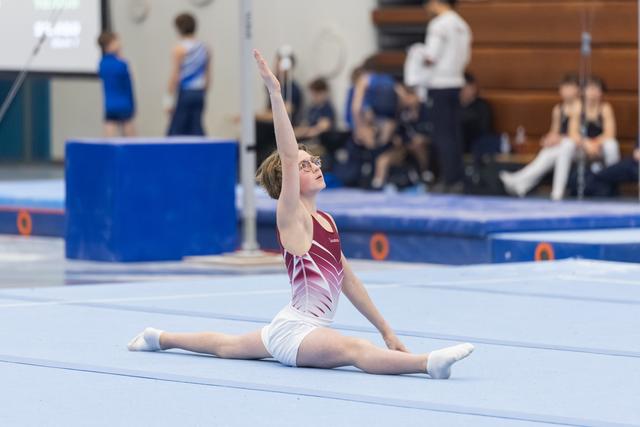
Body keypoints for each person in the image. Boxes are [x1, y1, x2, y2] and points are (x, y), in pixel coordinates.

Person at [127, 50, 474, 379]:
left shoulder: (326, 222)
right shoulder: (291, 216)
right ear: (289, 182)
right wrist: (276, 94)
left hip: (291, 323)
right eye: (307, 166)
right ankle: (427, 364)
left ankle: (158, 337)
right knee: (354, 349)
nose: (315, 167)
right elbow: (289, 157)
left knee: (227, 345)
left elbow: (348, 281)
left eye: (315, 162)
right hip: (298, 332)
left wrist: (386, 330)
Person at [500, 74, 582, 200]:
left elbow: (574, 135)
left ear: (577, 90)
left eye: (570, 87)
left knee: (567, 145)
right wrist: (548, 139)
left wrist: (558, 138)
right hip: (564, 146)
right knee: (549, 151)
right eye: (565, 87)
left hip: (579, 147)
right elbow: (554, 131)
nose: (567, 91)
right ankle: (523, 184)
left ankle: (525, 181)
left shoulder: (579, 106)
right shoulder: (558, 109)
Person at [421, 0, 472, 193]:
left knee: (442, 134)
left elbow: (431, 56)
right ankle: (457, 178)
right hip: (456, 83)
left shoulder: (439, 24)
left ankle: (448, 179)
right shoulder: (462, 25)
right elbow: (466, 57)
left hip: (439, 84)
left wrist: (418, 56)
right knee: (454, 133)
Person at [371, 85, 430, 190]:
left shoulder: (426, 109)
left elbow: (432, 132)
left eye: (408, 97)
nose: (406, 100)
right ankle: (378, 185)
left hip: (423, 147)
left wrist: (422, 138)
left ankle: (425, 173)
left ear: (415, 96)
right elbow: (397, 134)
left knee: (418, 145)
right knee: (382, 160)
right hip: (403, 147)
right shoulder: (400, 112)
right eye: (404, 98)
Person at [166, 13, 211, 136]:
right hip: (199, 93)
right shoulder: (204, 48)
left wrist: (168, 99)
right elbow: (208, 76)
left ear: (179, 29)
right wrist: (202, 92)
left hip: (185, 92)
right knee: (196, 127)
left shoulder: (179, 49)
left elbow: (176, 74)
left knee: (177, 129)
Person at [97, 31, 136, 137]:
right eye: (116, 42)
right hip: (124, 103)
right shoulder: (121, 64)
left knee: (110, 131)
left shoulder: (102, 63)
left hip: (110, 104)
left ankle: (108, 152)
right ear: (109, 45)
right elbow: (128, 85)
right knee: (129, 133)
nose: (120, 44)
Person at [460, 72, 494, 153]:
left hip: (475, 145)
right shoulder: (453, 106)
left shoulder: (481, 106)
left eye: (468, 87)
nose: (465, 90)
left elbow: (484, 130)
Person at [294, 78, 335, 143]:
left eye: (316, 95)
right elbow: (306, 124)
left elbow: (322, 127)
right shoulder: (312, 108)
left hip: (322, 143)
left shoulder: (327, 109)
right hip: (310, 140)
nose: (313, 97)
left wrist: (306, 132)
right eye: (312, 94)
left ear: (323, 93)